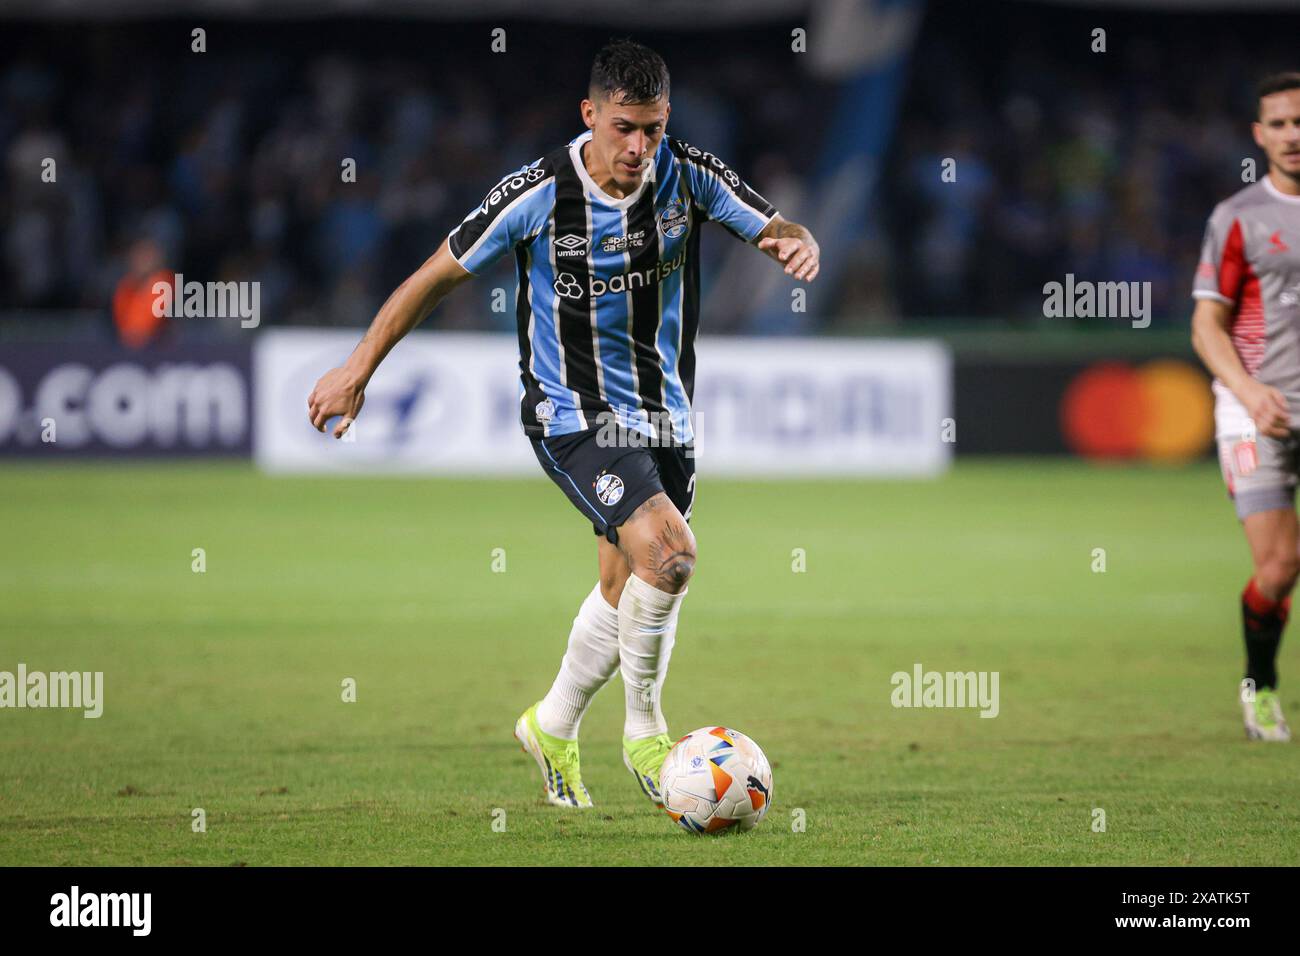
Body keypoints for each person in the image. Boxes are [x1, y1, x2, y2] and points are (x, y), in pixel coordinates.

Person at [307, 39, 820, 804]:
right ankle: (647, 737)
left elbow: (778, 226)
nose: (638, 146)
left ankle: (551, 724)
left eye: (651, 128)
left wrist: (794, 243)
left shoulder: (690, 176)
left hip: (665, 418)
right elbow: (434, 277)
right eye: (623, 128)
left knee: (627, 582)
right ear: (590, 115)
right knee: (670, 555)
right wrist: (357, 369)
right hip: (572, 413)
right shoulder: (539, 192)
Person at [1191, 71, 1300, 741]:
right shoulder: (1239, 218)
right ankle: (1260, 687)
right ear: (1260, 135)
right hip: (1256, 411)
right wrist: (1249, 390)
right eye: (1281, 124)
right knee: (1281, 566)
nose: (1294, 135)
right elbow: (1206, 325)